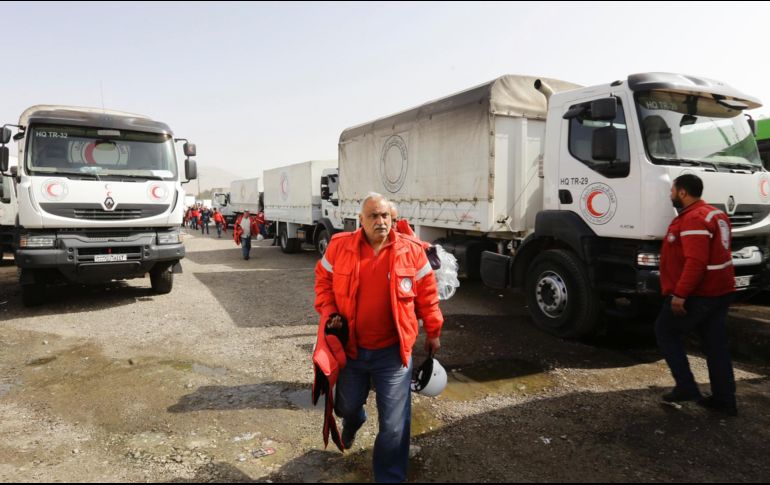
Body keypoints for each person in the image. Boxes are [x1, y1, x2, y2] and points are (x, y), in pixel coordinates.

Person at [314, 192, 444, 482]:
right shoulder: (339, 246)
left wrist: (433, 331)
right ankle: (355, 418)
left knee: (395, 427)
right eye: (373, 216)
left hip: (393, 354)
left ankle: (389, 477)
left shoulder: (411, 250)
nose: (381, 221)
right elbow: (323, 282)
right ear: (360, 220)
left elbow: (428, 298)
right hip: (351, 350)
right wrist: (330, 309)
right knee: (345, 405)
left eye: (385, 216)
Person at [655, 174, 737, 416]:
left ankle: (687, 387)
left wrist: (680, 295)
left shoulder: (694, 219)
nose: (670, 195)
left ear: (682, 193)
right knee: (716, 346)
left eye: (672, 190)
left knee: (665, 331)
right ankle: (725, 401)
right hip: (720, 291)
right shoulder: (714, 214)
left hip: (700, 293)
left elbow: (696, 262)